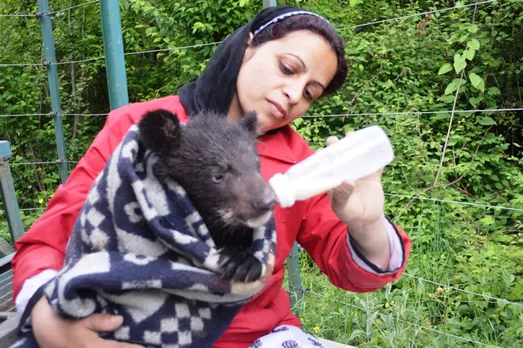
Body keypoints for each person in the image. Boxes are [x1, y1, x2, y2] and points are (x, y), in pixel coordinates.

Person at [11, 5, 411, 348]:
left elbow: (352, 270)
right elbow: (50, 237)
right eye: (288, 68)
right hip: (132, 327)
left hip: (255, 335)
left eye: (310, 92)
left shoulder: (301, 163)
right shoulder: (139, 130)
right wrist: (48, 318)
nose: (293, 93)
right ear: (248, 45)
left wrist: (366, 222)